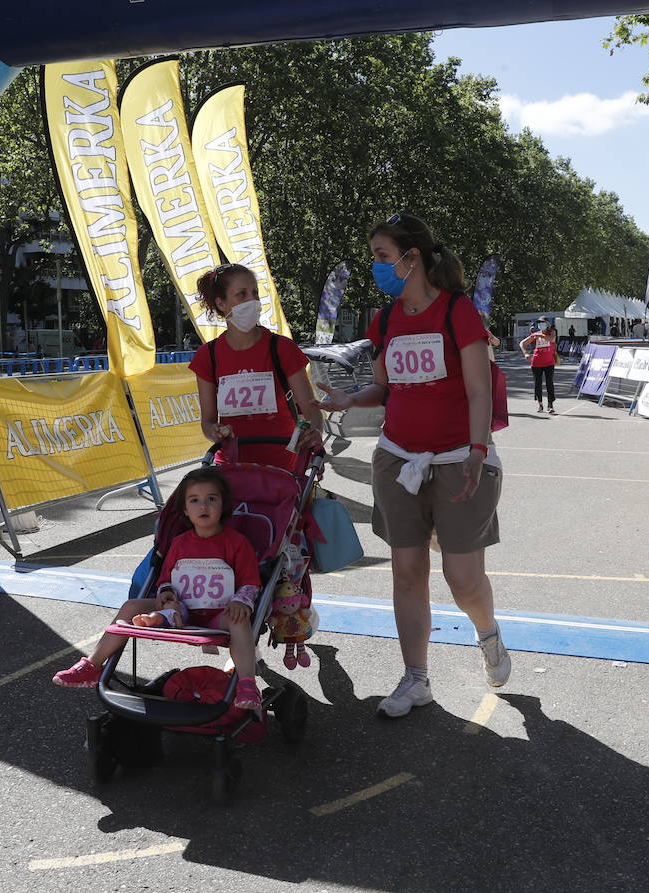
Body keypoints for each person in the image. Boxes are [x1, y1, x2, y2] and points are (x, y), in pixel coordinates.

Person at [315, 213, 510, 718]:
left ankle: (487, 632)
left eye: (382, 256)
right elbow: (384, 387)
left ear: (412, 257)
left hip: (458, 458)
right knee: (406, 571)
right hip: (397, 457)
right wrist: (346, 399)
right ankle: (416, 677)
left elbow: (477, 388)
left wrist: (476, 449)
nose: (376, 267)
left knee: (463, 578)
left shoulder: (457, 312)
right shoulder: (385, 319)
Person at [53, 468, 265, 710]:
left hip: (219, 612)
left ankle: (247, 683)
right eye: (194, 500)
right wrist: (165, 592)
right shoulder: (180, 542)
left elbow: (250, 582)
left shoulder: (236, 543)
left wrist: (240, 601)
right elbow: (166, 578)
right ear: (185, 509)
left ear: (223, 506)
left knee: (240, 620)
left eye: (211, 499)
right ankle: (92, 665)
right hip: (182, 607)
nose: (203, 506)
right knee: (131, 605)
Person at [190, 263, 324, 471]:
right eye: (241, 295)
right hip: (231, 469)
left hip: (284, 469)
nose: (252, 301)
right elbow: (207, 423)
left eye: (255, 293)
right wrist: (215, 431)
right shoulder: (208, 355)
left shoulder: (282, 348)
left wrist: (313, 434)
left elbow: (311, 411)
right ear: (222, 303)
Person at [520, 318, 558, 415]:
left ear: (547, 323)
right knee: (538, 383)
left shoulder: (552, 332)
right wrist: (526, 354)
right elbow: (522, 343)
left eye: (542, 323)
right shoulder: (535, 334)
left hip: (549, 362)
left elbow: (552, 339)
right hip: (536, 362)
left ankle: (550, 405)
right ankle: (540, 404)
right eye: (539, 323)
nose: (541, 325)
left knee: (550, 383)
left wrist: (540, 335)